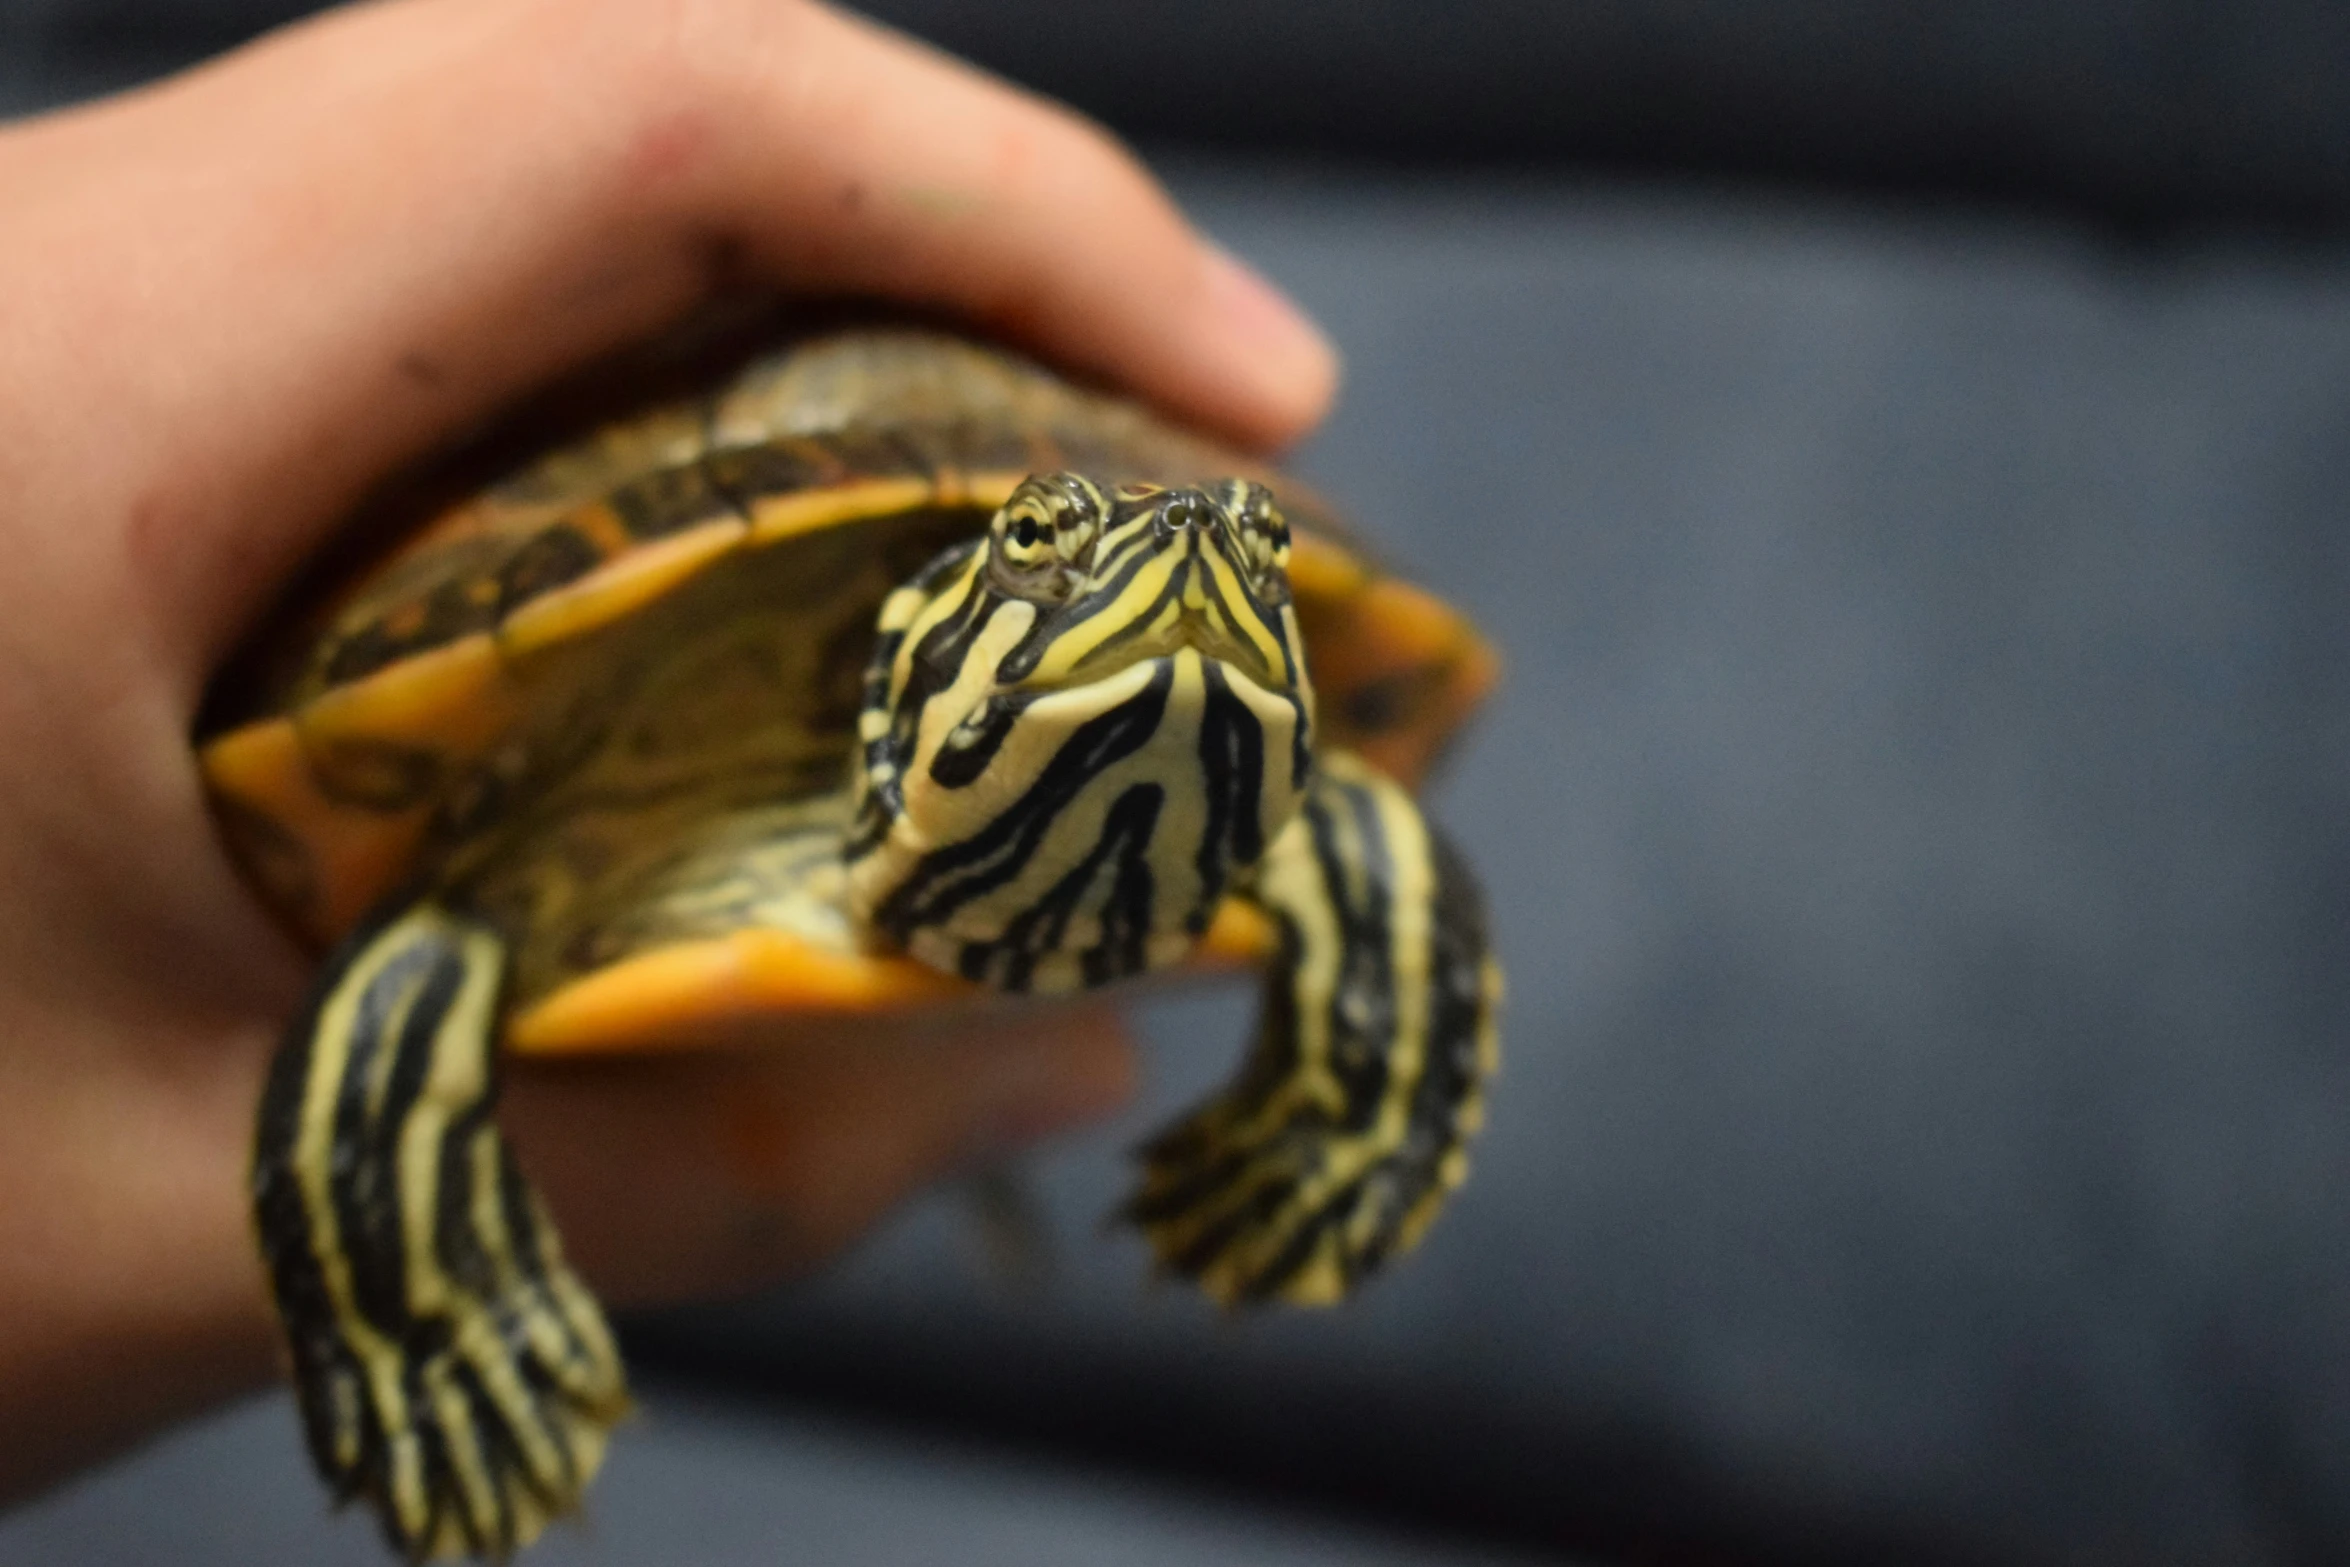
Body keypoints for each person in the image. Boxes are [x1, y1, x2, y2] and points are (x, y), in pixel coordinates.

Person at [0, 0, 1336, 1506]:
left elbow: (1337, 827)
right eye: (1045, 550)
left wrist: (1338, 1114)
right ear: (915, 655)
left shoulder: (1261, 790)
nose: (1184, 568)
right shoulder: (627, 731)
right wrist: (414, 1306)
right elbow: (420, 957)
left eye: (1247, 563)